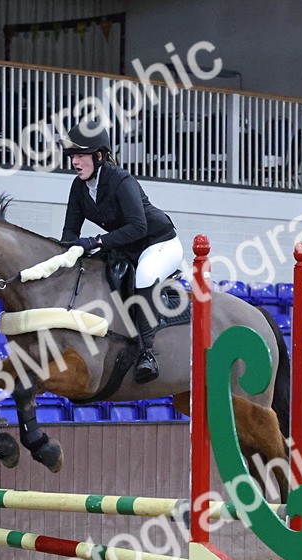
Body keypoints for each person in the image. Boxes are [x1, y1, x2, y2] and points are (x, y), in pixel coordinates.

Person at [59, 120, 182, 384]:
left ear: (99, 156)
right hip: (125, 247)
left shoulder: (121, 180)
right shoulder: (79, 187)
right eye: (72, 156)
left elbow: (138, 226)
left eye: (80, 155)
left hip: (158, 243)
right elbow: (69, 232)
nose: (75, 162)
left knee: (145, 275)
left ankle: (147, 353)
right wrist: (63, 255)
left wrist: (96, 241)